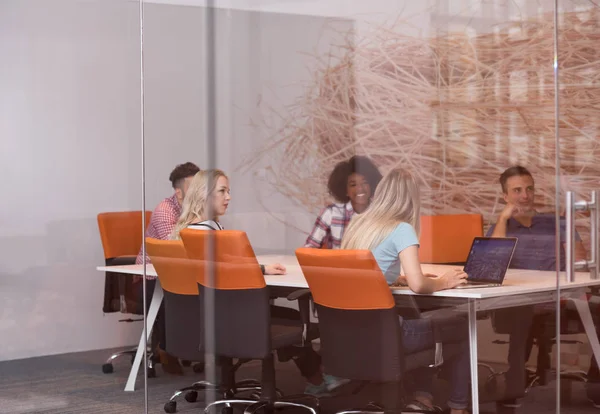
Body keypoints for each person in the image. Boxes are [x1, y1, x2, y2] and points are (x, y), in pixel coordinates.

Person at [172, 169, 347, 396]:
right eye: (222, 191)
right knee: (292, 318)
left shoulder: (187, 231)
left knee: (281, 315)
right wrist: (259, 271)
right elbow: (227, 268)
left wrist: (262, 269)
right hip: (229, 318)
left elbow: (223, 266)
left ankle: (318, 376)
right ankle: (321, 376)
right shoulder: (213, 233)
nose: (229, 197)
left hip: (206, 317)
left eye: (229, 191)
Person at [342, 168, 471, 414]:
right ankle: (458, 407)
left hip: (352, 335)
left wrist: (394, 278)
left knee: (420, 320)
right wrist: (444, 281)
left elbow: (362, 274)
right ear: (412, 198)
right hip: (388, 336)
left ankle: (421, 398)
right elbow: (419, 285)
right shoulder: (401, 229)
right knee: (463, 326)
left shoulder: (358, 224)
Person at [486, 165, 597, 408]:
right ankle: (514, 385)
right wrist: (504, 218)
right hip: (520, 301)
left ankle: (595, 384)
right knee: (522, 313)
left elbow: (579, 264)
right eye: (516, 191)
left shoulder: (555, 222)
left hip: (560, 298)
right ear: (505, 197)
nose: (524, 195)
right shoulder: (500, 227)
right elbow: (492, 265)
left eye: (529, 189)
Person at [134, 162, 200, 375]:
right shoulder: (165, 212)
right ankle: (166, 348)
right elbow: (176, 252)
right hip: (152, 277)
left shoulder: (200, 209)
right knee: (176, 295)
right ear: (179, 193)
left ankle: (199, 348)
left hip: (183, 273)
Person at [305, 155, 382, 249]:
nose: (360, 188)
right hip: (336, 263)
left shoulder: (380, 214)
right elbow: (310, 248)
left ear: (371, 185)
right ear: (345, 190)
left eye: (364, 182)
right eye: (353, 185)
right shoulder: (331, 213)